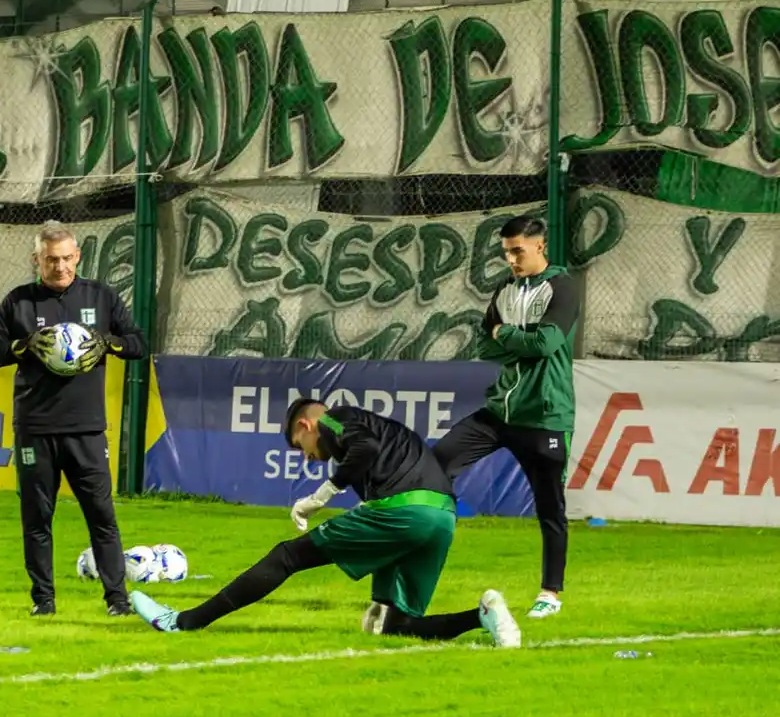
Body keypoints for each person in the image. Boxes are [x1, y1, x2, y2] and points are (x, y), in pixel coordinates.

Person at [129, 399, 521, 649]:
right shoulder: (383, 431)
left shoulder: (336, 419)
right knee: (396, 626)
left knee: (286, 556)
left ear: (305, 425)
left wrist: (322, 495)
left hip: (405, 512)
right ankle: (483, 615)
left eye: (303, 449)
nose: (312, 458)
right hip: (442, 518)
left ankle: (183, 622)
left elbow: (362, 449)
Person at [0, 220, 148, 618]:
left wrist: (108, 343)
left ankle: (117, 601)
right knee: (37, 518)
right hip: (35, 429)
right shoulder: (19, 301)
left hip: (86, 429)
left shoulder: (102, 296)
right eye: (51, 260)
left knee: (102, 516)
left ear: (78, 257)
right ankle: (44, 601)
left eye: (67, 258)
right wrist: (24, 346)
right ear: (36, 260)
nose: (60, 267)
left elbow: (139, 344)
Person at [433, 214, 579, 620]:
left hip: (545, 415)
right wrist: (516, 340)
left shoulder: (562, 287)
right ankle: (420, 552)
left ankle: (550, 593)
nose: (512, 259)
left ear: (540, 247)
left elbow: (547, 343)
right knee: (436, 462)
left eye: (518, 250)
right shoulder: (505, 288)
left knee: (550, 508)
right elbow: (485, 343)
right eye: (507, 252)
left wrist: (506, 336)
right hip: (500, 411)